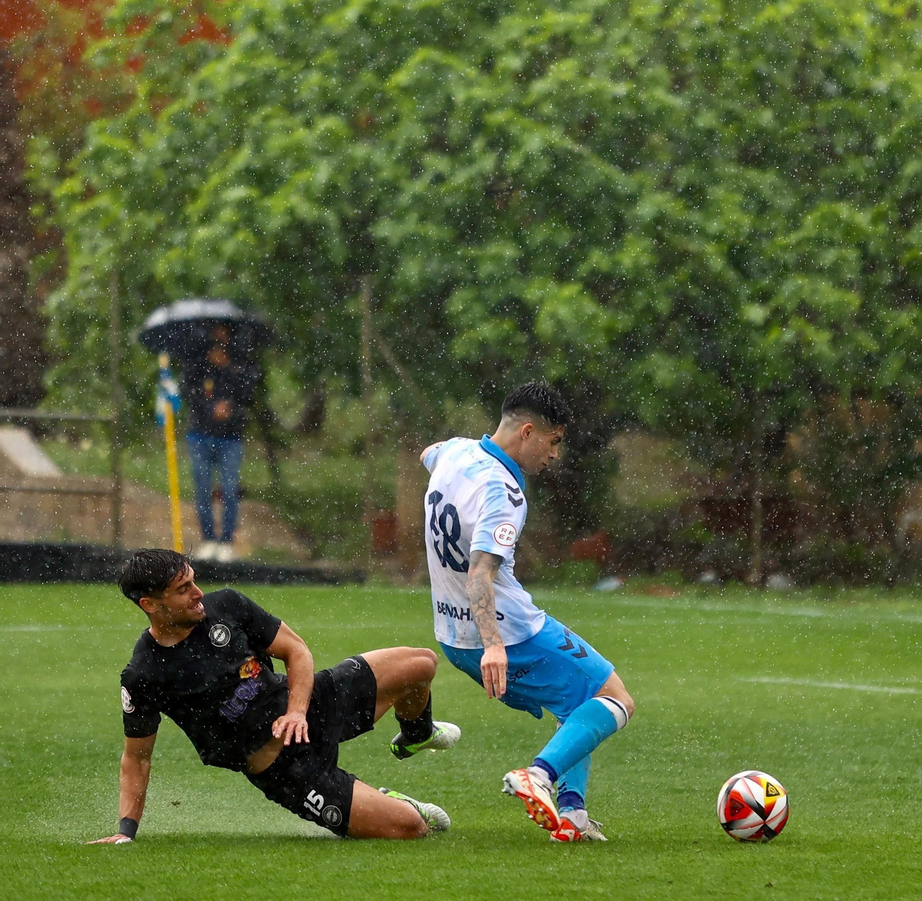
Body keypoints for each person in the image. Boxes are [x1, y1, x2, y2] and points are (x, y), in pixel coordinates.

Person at [89, 549, 460, 844]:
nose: (198, 593)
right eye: (183, 589)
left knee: (420, 664)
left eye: (193, 580)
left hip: (309, 707)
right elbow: (136, 758)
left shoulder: (226, 606)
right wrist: (126, 830)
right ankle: (390, 801)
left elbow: (296, 651)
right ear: (150, 605)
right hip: (288, 770)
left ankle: (418, 734)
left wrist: (297, 711)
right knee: (411, 828)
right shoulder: (144, 674)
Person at [420, 381, 635, 842]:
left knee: (577, 701)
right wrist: (495, 646)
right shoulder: (505, 495)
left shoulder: (453, 452)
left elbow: (428, 452)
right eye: (554, 442)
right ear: (529, 432)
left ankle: (573, 817)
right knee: (615, 700)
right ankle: (538, 775)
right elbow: (480, 575)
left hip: (451, 636)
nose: (555, 455)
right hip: (508, 632)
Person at [181, 325, 261, 559]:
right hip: (200, 435)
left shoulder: (240, 362)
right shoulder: (196, 362)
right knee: (202, 487)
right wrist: (209, 409)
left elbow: (247, 395)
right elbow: (190, 393)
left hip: (231, 437)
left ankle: (227, 540)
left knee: (229, 487)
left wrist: (230, 407)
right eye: (215, 333)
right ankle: (208, 539)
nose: (219, 339)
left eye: (223, 333)